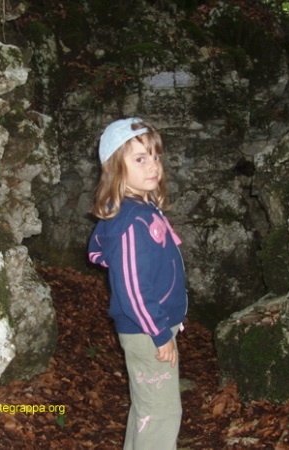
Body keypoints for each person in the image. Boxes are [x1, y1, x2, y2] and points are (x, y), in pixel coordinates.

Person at [88, 117, 188, 450]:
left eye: (155, 156)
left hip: (150, 327)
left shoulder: (142, 209)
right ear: (115, 168)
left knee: (147, 409)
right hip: (148, 330)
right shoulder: (132, 221)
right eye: (140, 159)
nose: (153, 165)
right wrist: (159, 332)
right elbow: (132, 289)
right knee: (161, 415)